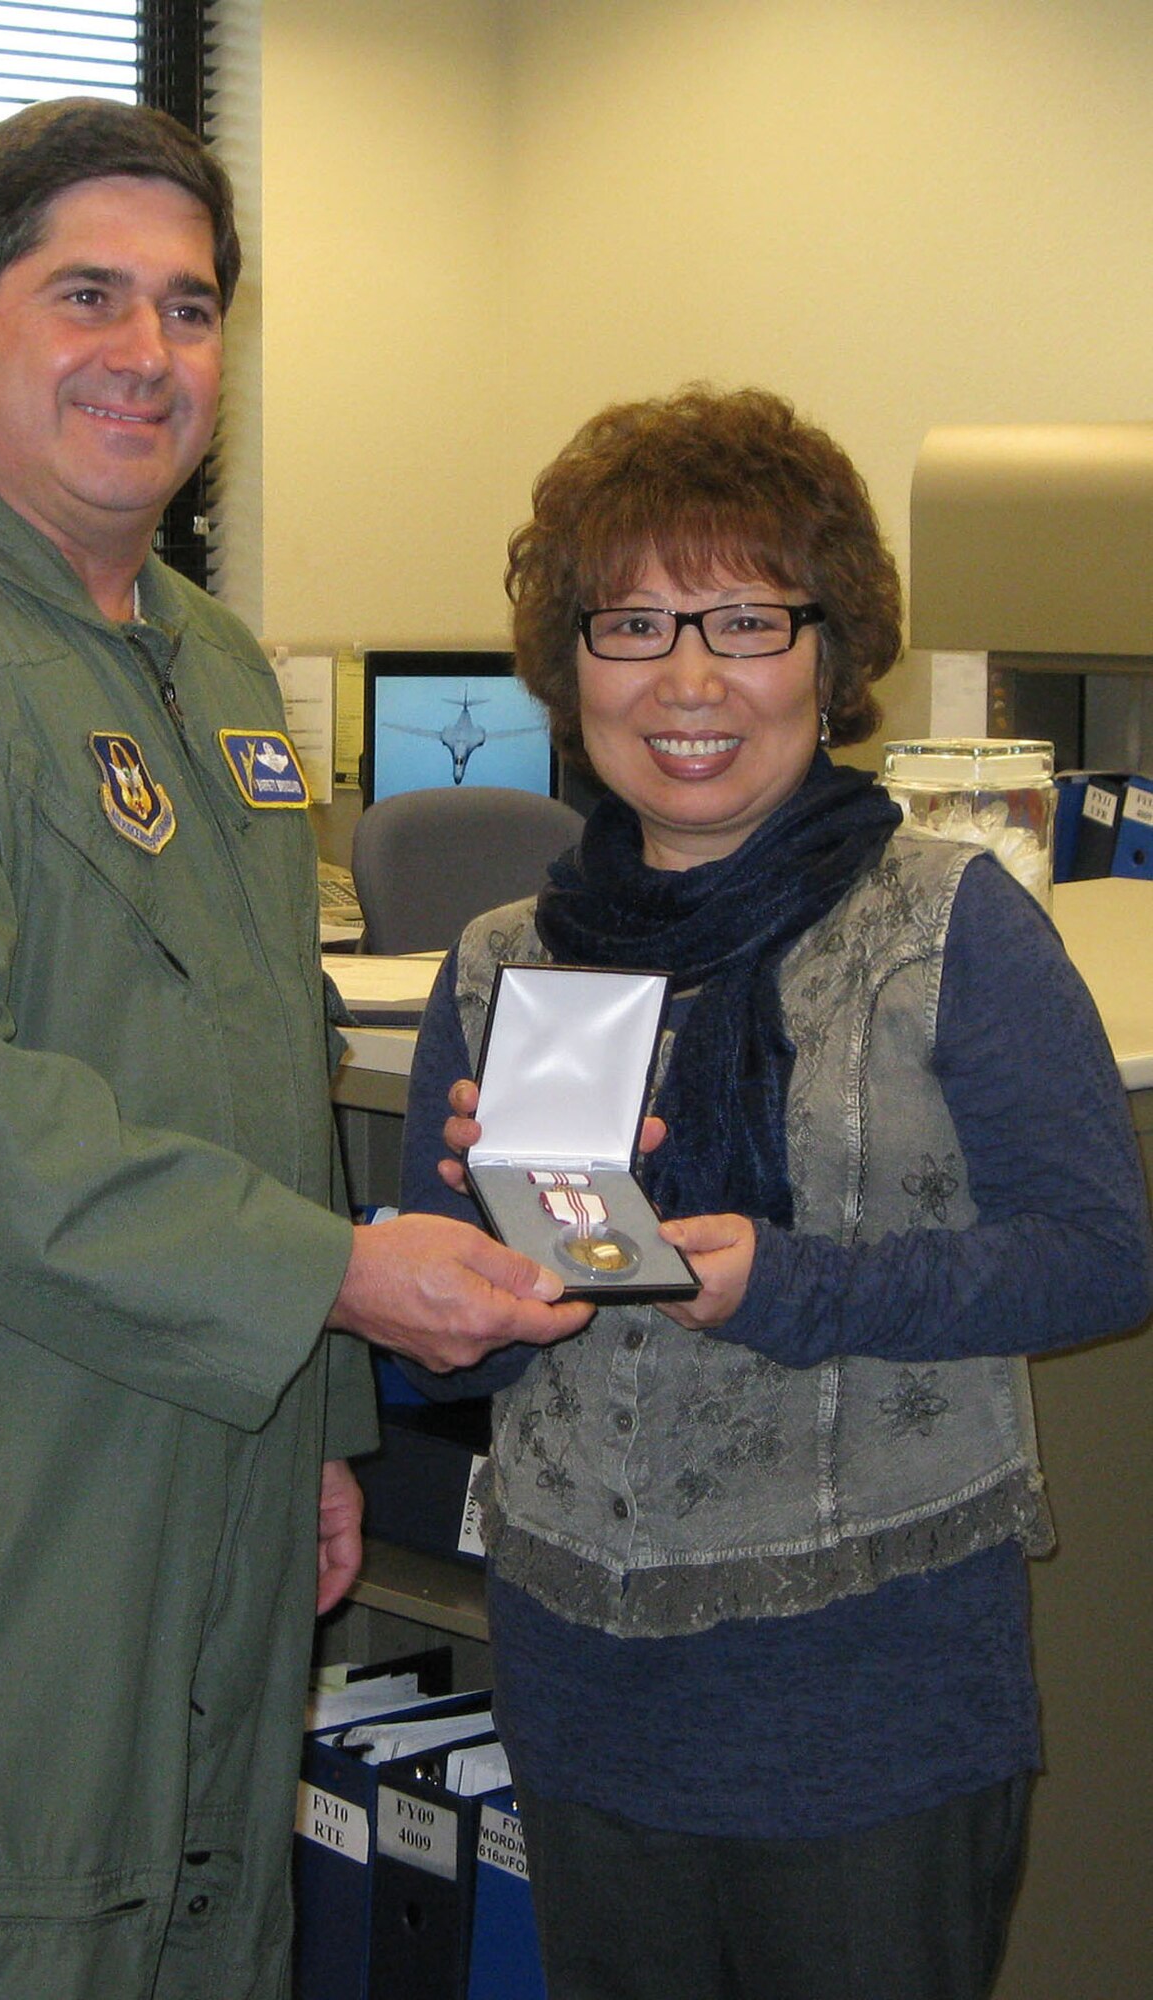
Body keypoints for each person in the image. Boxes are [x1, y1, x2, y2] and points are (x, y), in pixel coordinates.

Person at [0, 98, 591, 2000]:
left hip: (225, 1438)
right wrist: (340, 1282)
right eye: (86, 293)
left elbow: (259, 1062)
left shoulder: (212, 659)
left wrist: (320, 1430)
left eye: (189, 308)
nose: (146, 354)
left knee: (204, 1921)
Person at [400, 385, 1153, 2000]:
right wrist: (481, 1275)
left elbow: (1101, 1258)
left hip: (867, 1698)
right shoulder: (501, 964)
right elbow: (441, 1361)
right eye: (633, 623)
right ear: (568, 659)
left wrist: (790, 1283)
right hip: (586, 1680)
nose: (686, 679)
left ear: (830, 651)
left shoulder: (950, 925)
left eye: (744, 620)